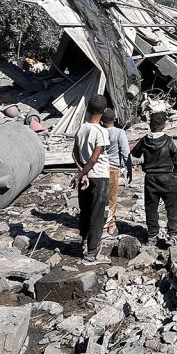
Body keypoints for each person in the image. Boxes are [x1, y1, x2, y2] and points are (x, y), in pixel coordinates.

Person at [131, 110, 177, 246]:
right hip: (167, 177)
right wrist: (176, 172)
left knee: (151, 207)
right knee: (173, 207)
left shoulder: (144, 140)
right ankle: (172, 235)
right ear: (164, 125)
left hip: (151, 178)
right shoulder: (168, 141)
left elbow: (135, 154)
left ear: (150, 125)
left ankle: (152, 236)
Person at [71, 96, 112, 262]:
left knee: (86, 211)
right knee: (97, 215)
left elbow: (74, 153)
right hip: (99, 176)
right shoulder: (101, 131)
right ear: (104, 112)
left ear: (88, 109)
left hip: (87, 176)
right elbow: (95, 158)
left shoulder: (82, 128)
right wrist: (82, 174)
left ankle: (85, 241)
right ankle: (92, 253)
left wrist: (82, 173)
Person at [101, 108, 133, 237]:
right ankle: (110, 225)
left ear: (102, 121)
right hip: (113, 169)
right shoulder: (120, 132)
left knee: (102, 198)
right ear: (114, 119)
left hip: (100, 168)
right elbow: (125, 152)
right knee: (111, 199)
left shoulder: (100, 132)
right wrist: (129, 169)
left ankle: (102, 221)